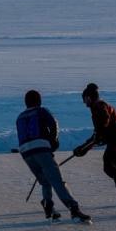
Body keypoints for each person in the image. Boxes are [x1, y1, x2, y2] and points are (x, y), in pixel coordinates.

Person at [16, 89, 91, 223]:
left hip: (26, 153)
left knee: (45, 181)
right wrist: (53, 141)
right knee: (57, 180)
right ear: (39, 101)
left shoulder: (20, 117)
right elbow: (54, 124)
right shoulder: (41, 111)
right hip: (41, 149)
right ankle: (74, 209)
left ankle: (48, 206)